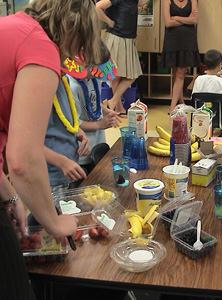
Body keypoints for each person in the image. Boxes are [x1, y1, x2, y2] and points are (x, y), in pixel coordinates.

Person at [0, 0, 101, 299]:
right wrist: (55, 222)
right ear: (73, 27)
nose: (72, 55)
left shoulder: (13, 27)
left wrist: (10, 195)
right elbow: (23, 159)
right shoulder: (40, 46)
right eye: (78, 44)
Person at [68, 43, 121, 174]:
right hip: (82, 151)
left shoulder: (93, 79)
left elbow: (92, 99)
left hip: (97, 141)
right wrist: (100, 124)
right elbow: (74, 123)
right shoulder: (72, 87)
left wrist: (105, 110)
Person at [95, 0, 150, 115]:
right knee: (116, 75)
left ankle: (114, 102)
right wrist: (109, 22)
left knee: (132, 75)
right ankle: (118, 107)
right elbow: (98, 7)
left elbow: (142, 3)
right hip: (116, 37)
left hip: (128, 39)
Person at [161, 0, 201, 112]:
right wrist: (186, 20)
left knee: (181, 72)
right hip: (172, 39)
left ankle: (172, 107)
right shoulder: (166, 1)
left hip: (188, 40)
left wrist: (176, 17)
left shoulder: (192, 1)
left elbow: (194, 20)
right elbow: (168, 23)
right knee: (177, 71)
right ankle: (181, 101)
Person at [191, 49, 222, 125]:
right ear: (219, 65)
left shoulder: (198, 80)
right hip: (219, 119)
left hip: (200, 118)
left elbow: (194, 99)